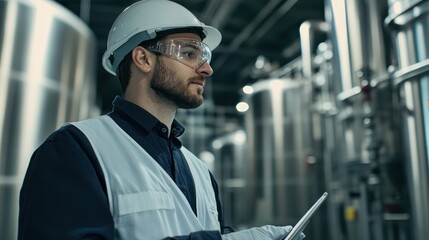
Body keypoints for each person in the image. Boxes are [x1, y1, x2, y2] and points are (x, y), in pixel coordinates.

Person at [18, 0, 305, 239]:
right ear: (143, 59)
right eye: (190, 53)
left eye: (204, 56)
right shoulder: (75, 150)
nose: (207, 69)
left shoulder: (200, 172)